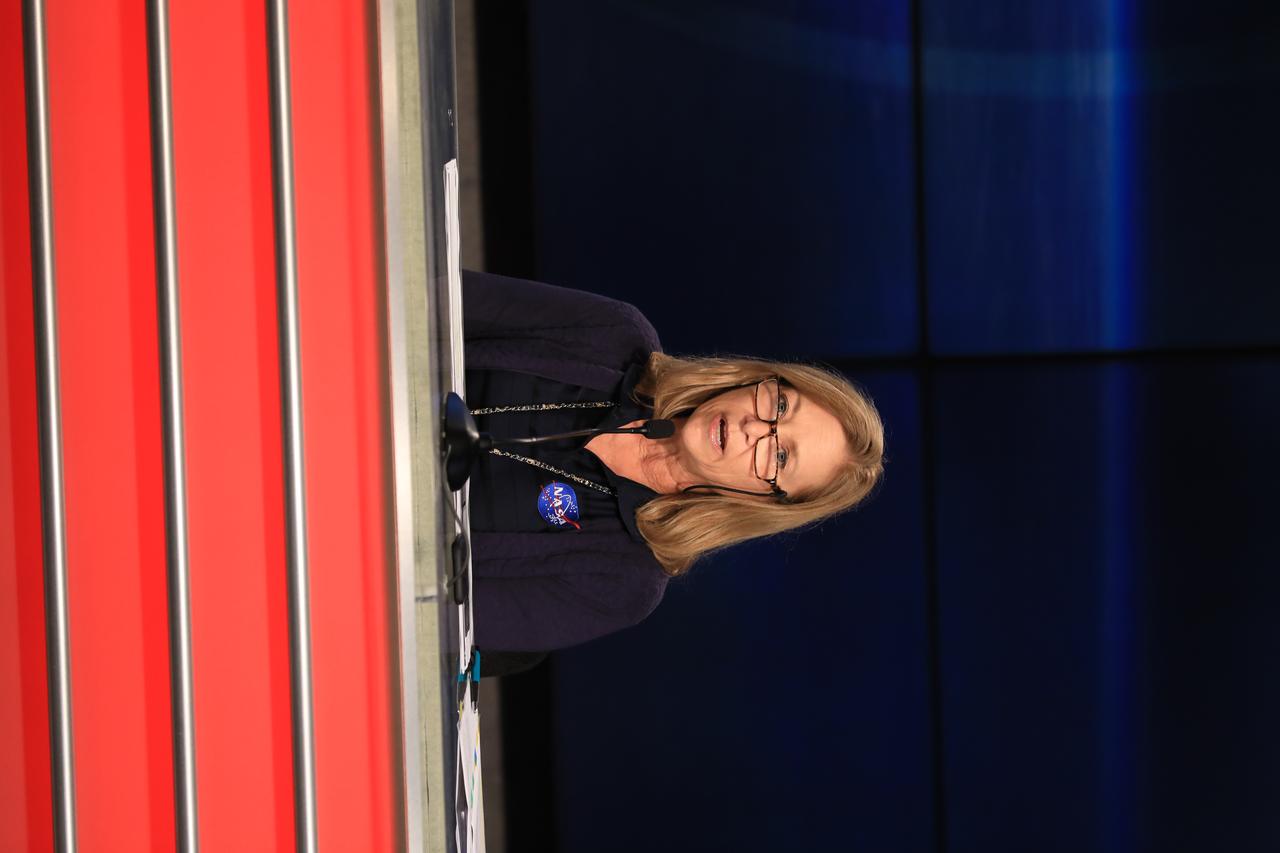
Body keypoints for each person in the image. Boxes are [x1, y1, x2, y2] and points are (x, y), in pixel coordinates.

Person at [462, 269, 884, 676]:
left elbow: (439, 612)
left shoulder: (623, 582)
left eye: (780, 457)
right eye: (780, 407)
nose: (753, 429)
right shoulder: (614, 336)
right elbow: (437, 295)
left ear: (765, 501)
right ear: (760, 380)